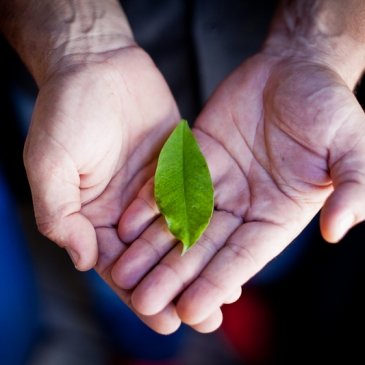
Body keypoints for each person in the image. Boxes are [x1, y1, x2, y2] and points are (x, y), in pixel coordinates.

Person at [1, 0, 365, 340]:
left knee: (266, 254)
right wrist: (76, 45)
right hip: (83, 107)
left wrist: (319, 47)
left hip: (274, 139)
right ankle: (148, 348)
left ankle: (230, 312)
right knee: (120, 270)